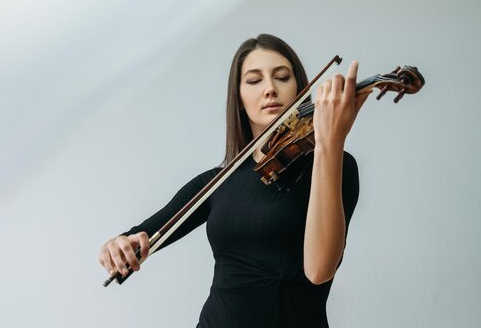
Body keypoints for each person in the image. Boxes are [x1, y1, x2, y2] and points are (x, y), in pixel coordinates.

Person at [98, 34, 371, 327]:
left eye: (282, 77)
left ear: (301, 90)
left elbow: (319, 270)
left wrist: (330, 141)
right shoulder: (216, 182)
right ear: (239, 99)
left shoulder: (336, 165)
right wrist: (116, 246)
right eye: (254, 81)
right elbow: (137, 237)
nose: (270, 89)